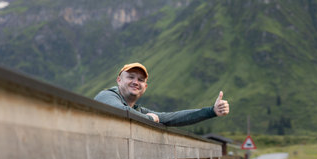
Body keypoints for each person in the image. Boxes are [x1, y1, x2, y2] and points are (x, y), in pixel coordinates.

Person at [94, 62, 230, 126]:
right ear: (119, 80)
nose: (136, 82)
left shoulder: (138, 110)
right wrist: (151, 119)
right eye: (131, 77)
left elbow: (171, 118)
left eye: (141, 80)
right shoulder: (107, 96)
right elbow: (123, 112)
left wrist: (211, 111)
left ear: (145, 87)